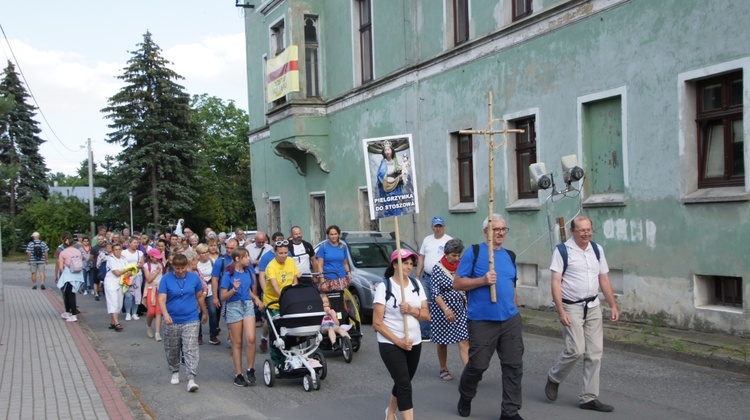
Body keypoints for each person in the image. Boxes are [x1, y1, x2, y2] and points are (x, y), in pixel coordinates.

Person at [545, 215, 620, 413]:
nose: (586, 233)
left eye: (588, 229)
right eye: (582, 230)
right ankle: (554, 377)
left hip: (593, 305)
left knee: (595, 352)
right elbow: (555, 282)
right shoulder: (562, 251)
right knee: (576, 350)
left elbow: (603, 278)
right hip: (571, 306)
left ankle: (589, 397)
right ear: (573, 231)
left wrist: (612, 304)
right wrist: (560, 309)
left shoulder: (597, 249)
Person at [454, 214, 524, 420]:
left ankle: (510, 412)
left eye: (504, 229)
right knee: (478, 365)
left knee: (513, 366)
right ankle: (465, 395)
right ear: (486, 232)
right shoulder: (474, 252)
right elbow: (457, 283)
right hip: (482, 320)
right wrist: (482, 280)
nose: (501, 232)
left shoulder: (510, 255)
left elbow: (512, 285)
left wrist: (514, 306)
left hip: (510, 319)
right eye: (496, 229)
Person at [373, 249, 429, 420]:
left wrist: (412, 310)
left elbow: (427, 316)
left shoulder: (416, 285)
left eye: (411, 263)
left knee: (403, 382)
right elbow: (377, 323)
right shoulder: (384, 287)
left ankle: (390, 412)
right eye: (405, 262)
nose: (409, 266)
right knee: (404, 384)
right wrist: (399, 342)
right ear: (395, 264)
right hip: (391, 343)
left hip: (414, 342)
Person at [158, 253, 208, 392]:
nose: (180, 271)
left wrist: (204, 312)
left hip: (191, 318)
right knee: (172, 348)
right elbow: (162, 299)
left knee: (190, 348)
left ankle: (191, 378)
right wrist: (165, 314)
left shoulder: (194, 278)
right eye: (177, 268)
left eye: (182, 268)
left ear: (186, 265)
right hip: (172, 319)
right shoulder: (166, 279)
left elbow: (199, 296)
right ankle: (175, 370)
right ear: (173, 266)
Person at [220, 247, 264, 387]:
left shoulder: (248, 271)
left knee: (251, 338)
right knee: (237, 342)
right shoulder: (228, 274)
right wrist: (234, 289)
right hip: (234, 306)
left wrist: (256, 298)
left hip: (247, 305)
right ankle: (238, 374)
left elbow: (249, 290)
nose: (248, 259)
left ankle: (250, 369)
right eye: (245, 257)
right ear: (237, 259)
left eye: (248, 256)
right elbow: (223, 296)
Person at [428, 238, 469, 381]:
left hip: (460, 309)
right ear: (446, 254)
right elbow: (435, 293)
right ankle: (443, 368)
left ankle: (469, 373)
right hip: (442, 311)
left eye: (458, 255)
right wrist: (446, 309)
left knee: (464, 340)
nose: (456, 258)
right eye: (453, 255)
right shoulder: (437, 268)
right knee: (442, 341)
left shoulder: (461, 267)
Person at [264, 239, 300, 369]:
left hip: (289, 302)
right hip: (274, 303)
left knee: (291, 330)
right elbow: (274, 285)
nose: (284, 256)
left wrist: (294, 296)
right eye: (281, 253)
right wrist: (284, 298)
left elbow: (295, 278)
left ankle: (290, 357)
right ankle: (277, 362)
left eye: (286, 253)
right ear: (275, 252)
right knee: (276, 333)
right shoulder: (271, 266)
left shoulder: (290, 261)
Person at [416, 216, 452, 341]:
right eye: (436, 226)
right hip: (426, 277)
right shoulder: (427, 240)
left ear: (444, 227)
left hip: (442, 278)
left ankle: (443, 332)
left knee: (442, 303)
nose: (438, 228)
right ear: (432, 227)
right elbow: (421, 258)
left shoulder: (449, 241)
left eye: (440, 226)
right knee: (425, 304)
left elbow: (453, 259)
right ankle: (425, 333)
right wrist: (417, 274)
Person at [257, 231, 285, 353]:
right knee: (270, 321)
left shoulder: (286, 256)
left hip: (285, 294)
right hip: (272, 294)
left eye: (281, 240)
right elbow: (262, 276)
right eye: (277, 240)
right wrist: (265, 292)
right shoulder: (267, 257)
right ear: (273, 242)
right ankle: (264, 337)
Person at [56, 232, 84, 322]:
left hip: (68, 275)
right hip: (78, 274)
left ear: (64, 243)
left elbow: (61, 267)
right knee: (72, 293)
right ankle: (69, 312)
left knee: (68, 294)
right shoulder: (78, 251)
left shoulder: (63, 253)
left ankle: (72, 314)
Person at [104, 242, 129, 332]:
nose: (118, 251)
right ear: (113, 251)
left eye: (119, 249)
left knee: (119, 303)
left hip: (120, 283)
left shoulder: (123, 259)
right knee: (113, 301)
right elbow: (117, 273)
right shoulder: (111, 259)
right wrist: (127, 270)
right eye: (116, 250)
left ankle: (112, 322)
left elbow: (129, 271)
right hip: (111, 282)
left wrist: (128, 271)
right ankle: (117, 322)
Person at [376, 140, 404, 217]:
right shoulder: (383, 163)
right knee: (389, 209)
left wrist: (400, 177)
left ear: (392, 151)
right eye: (385, 150)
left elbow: (401, 174)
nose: (387, 152)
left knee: (397, 208)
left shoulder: (396, 163)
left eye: (388, 149)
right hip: (387, 191)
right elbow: (381, 175)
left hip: (396, 190)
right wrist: (394, 178)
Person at [143, 247, 165, 341]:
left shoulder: (162, 264)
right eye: (155, 257)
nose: (157, 259)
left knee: (159, 311)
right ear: (150, 257)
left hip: (160, 289)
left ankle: (157, 332)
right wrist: (156, 272)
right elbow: (149, 279)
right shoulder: (146, 266)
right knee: (151, 311)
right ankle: (148, 326)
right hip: (150, 289)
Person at [122, 238, 145, 321]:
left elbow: (142, 264)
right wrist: (131, 268)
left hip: (138, 275)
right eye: (134, 243)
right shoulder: (123, 252)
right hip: (127, 275)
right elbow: (123, 263)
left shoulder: (140, 253)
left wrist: (133, 267)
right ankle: (128, 313)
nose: (136, 244)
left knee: (137, 294)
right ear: (130, 243)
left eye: (137, 243)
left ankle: (134, 313)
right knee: (128, 295)